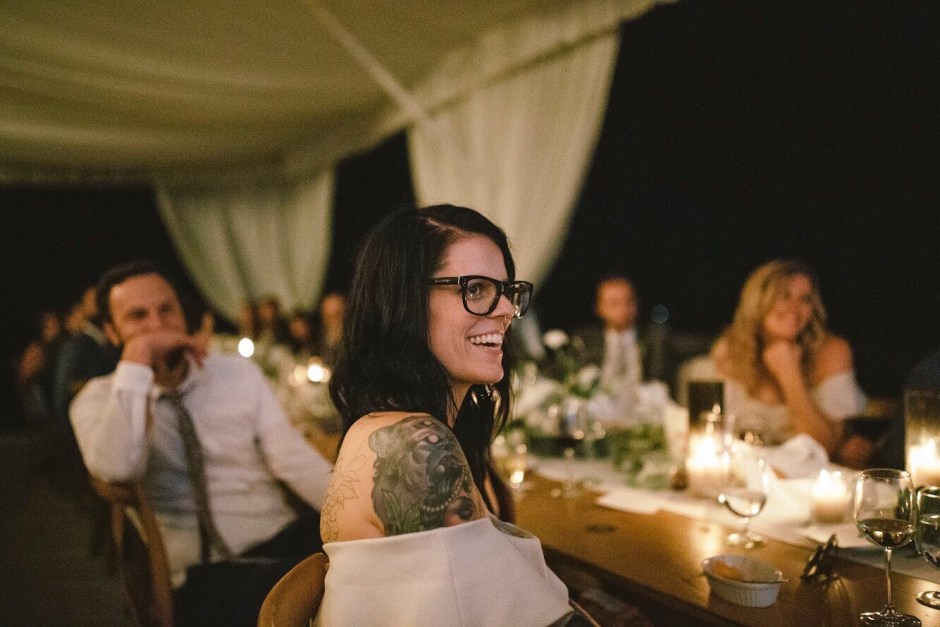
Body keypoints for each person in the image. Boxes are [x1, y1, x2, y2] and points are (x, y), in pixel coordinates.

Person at [319, 204, 581, 625]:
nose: (505, 310)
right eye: (475, 289)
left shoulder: (415, 425)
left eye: (506, 291)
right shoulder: (411, 445)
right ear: (402, 303)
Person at [69, 260, 333, 626]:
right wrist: (138, 360)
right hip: (202, 576)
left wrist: (353, 516)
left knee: (355, 557)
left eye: (167, 310)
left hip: (278, 537)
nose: (157, 324)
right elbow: (119, 468)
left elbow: (294, 460)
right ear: (111, 333)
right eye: (137, 317)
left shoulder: (237, 373)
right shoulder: (98, 400)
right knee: (316, 588)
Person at [711, 259, 870, 467]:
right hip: (746, 470)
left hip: (810, 475)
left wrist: (789, 373)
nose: (795, 309)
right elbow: (716, 435)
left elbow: (823, 447)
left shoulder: (832, 351)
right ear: (757, 302)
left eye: (805, 299)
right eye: (784, 296)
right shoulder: (729, 350)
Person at [573, 274, 712, 397]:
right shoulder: (585, 340)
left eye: (629, 301)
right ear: (599, 307)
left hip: (646, 408)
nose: (624, 309)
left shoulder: (655, 336)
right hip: (599, 407)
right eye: (614, 304)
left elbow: (693, 345)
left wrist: (719, 344)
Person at [312, 292, 346, 366]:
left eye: (337, 315)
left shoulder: (354, 342)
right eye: (328, 316)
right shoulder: (318, 342)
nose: (333, 321)